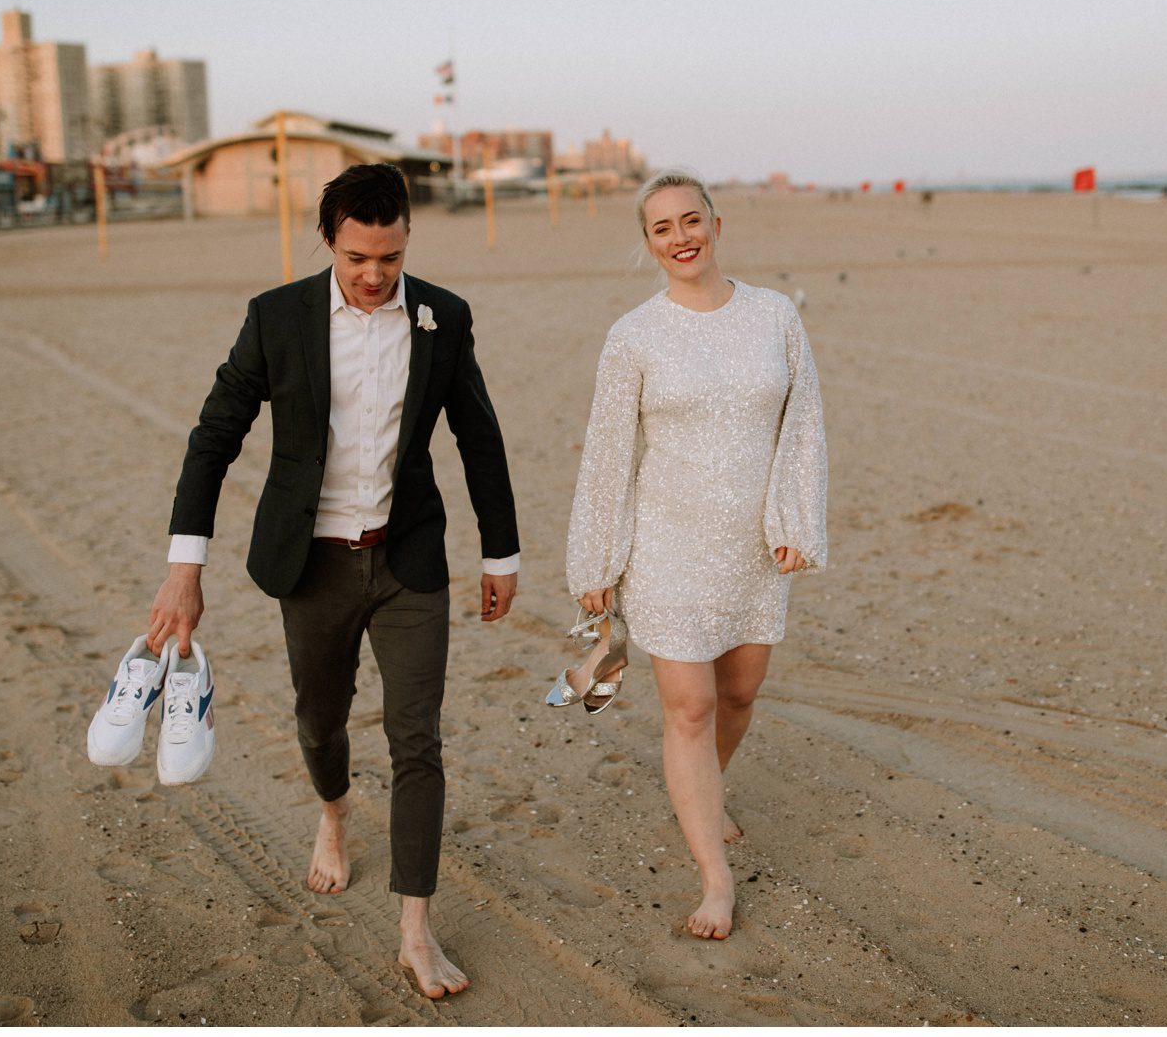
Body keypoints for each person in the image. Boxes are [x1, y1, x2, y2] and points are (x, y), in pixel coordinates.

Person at [148, 162, 520, 999]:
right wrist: (185, 567)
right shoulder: (276, 319)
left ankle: (416, 932)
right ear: (328, 241)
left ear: (407, 241)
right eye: (358, 257)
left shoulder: (443, 317)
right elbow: (214, 437)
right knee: (319, 721)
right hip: (309, 563)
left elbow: (479, 438)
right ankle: (333, 813)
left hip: (410, 560)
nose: (374, 275)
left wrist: (502, 555)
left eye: (389, 257)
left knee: (416, 739)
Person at [562, 169, 828, 940]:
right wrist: (596, 563)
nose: (680, 237)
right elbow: (608, 454)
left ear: (716, 223)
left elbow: (803, 422)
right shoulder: (634, 335)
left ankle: (702, 792)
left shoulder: (776, 315)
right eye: (661, 228)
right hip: (669, 547)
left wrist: (794, 519)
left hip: (753, 549)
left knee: (739, 696)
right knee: (690, 707)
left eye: (690, 220)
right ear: (648, 244)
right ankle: (716, 877)